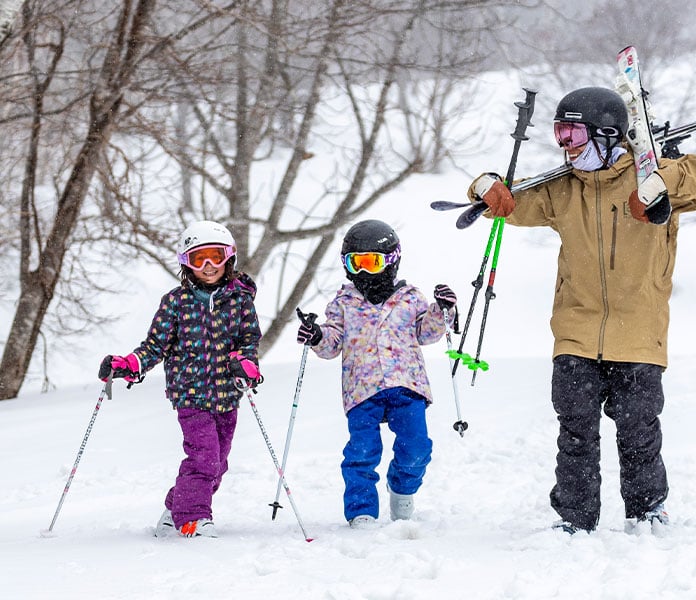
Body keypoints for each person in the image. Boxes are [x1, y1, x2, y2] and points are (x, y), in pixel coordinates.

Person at [468, 87, 696, 534]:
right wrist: (484, 187)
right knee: (575, 432)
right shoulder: (563, 190)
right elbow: (507, 204)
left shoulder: (654, 181)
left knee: (639, 431)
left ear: (606, 135)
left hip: (639, 333)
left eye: (573, 133)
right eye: (559, 133)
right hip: (576, 331)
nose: (565, 145)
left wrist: (660, 181)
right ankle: (574, 517)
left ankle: (646, 512)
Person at [98, 220, 262, 538]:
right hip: (189, 394)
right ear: (187, 263)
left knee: (218, 463)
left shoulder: (242, 302)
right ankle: (192, 519)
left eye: (215, 256)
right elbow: (155, 345)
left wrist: (247, 366)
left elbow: (249, 343)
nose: (209, 265)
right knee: (204, 457)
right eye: (199, 259)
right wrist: (130, 364)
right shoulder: (176, 302)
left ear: (229, 257)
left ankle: (175, 510)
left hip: (228, 396)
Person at [295, 219, 458, 528]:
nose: (365, 272)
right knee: (362, 452)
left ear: (392, 261)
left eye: (373, 262)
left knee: (417, 447)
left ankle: (402, 489)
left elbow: (427, 333)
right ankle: (361, 511)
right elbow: (331, 345)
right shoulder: (342, 304)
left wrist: (441, 309)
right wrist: (316, 336)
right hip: (362, 390)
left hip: (406, 385)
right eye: (356, 263)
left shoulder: (410, 298)